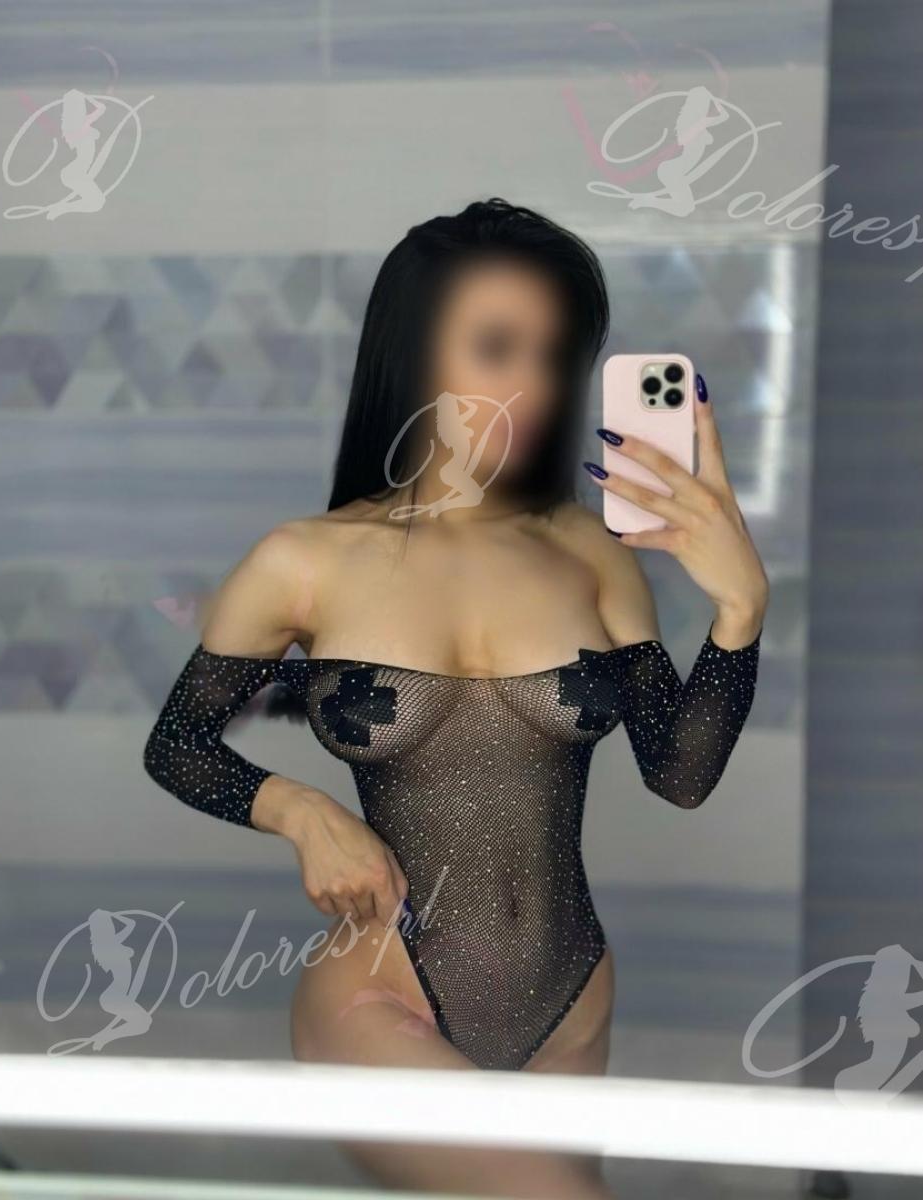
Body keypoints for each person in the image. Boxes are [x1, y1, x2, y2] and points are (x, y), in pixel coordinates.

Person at [144, 198, 768, 1198]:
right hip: (383, 990)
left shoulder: (588, 551)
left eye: (551, 355)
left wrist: (739, 610)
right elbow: (178, 742)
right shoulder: (303, 559)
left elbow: (680, 775)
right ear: (415, 353)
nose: (531, 385)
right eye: (494, 347)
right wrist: (301, 813)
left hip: (572, 996)